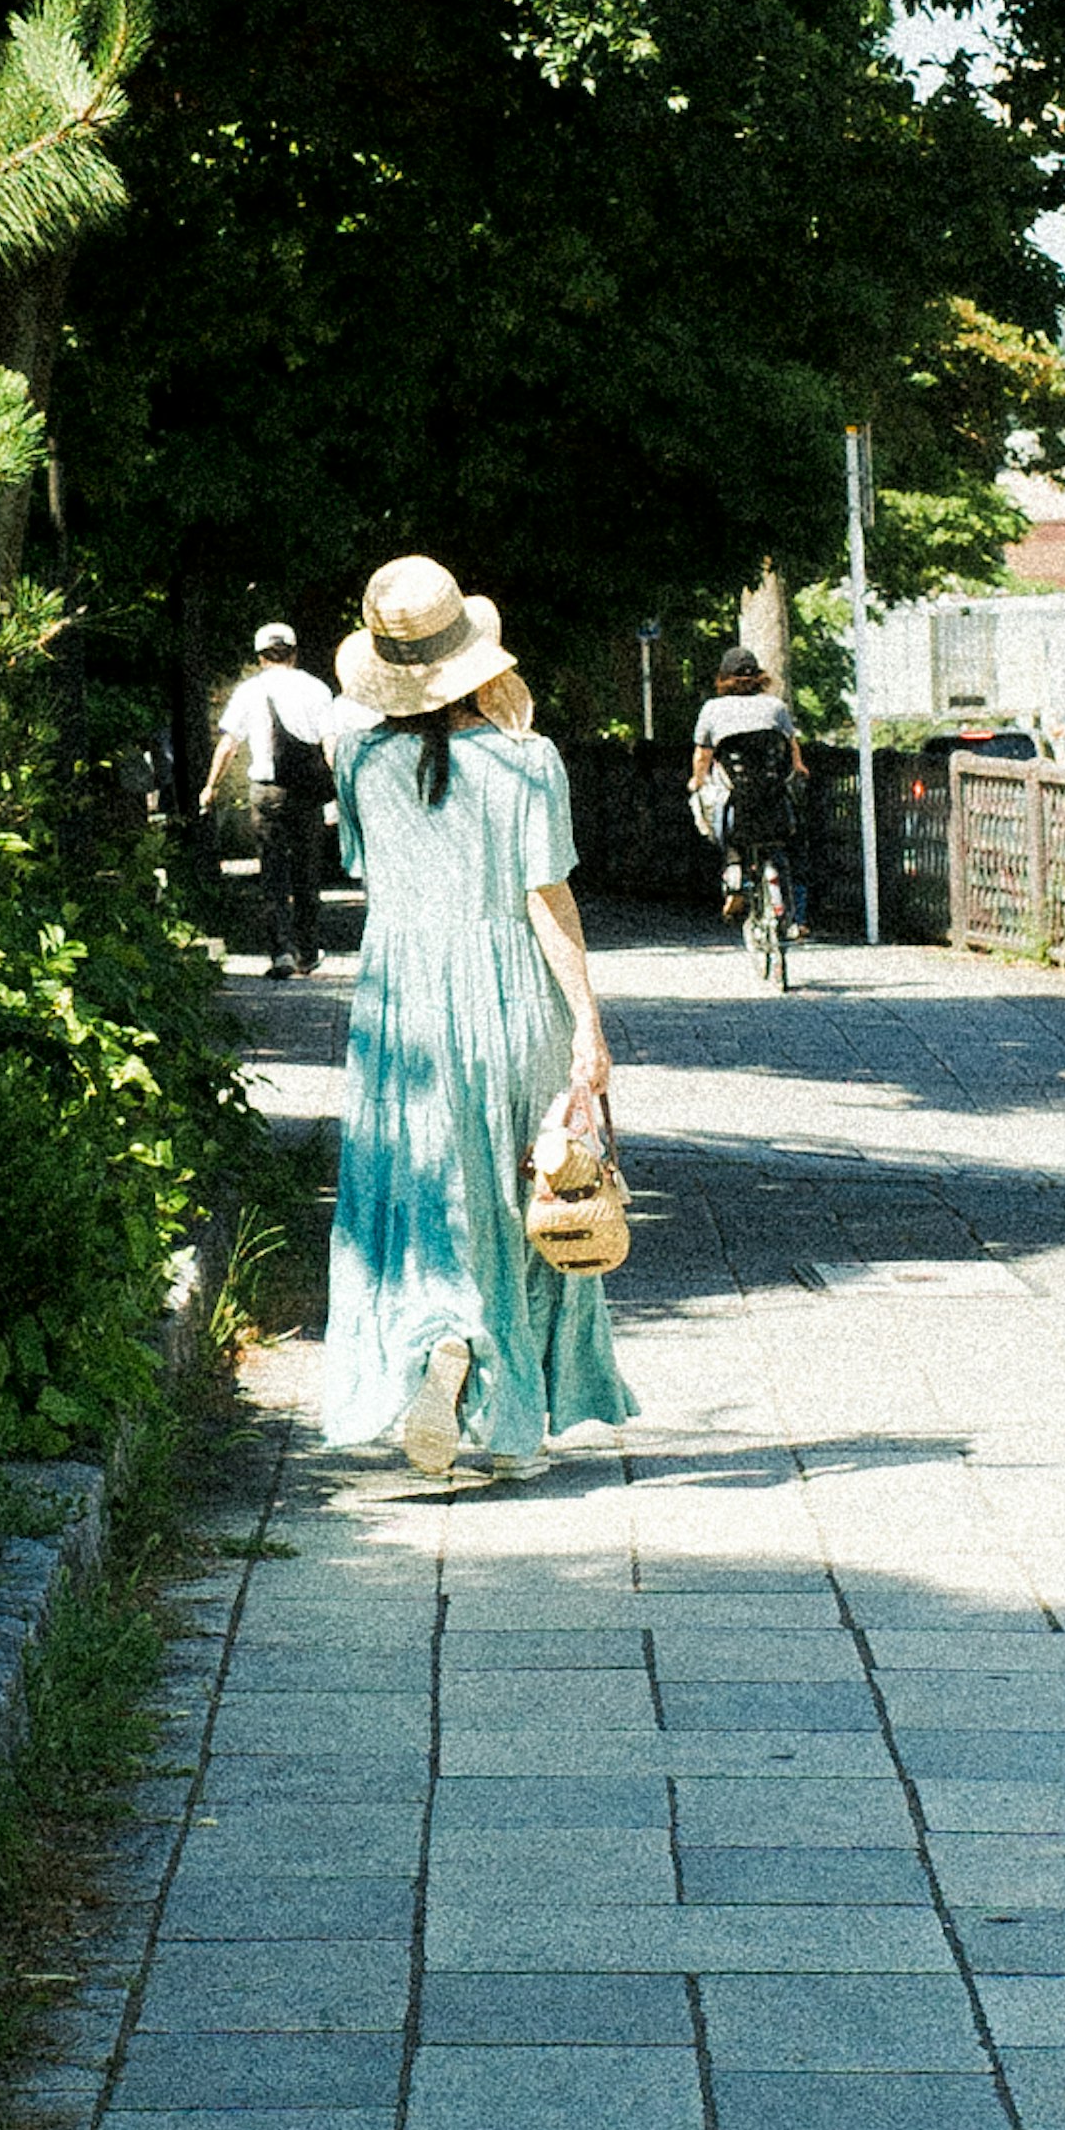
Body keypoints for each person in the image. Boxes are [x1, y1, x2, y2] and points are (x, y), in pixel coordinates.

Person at [319, 556, 632, 1489]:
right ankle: (503, 1407)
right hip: (507, 996)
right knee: (517, 1190)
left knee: (411, 1191)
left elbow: (368, 867)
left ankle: (433, 1340)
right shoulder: (528, 761)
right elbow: (548, 901)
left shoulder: (358, 761)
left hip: (399, 1006)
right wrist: (589, 1025)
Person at [206, 620, 338, 978]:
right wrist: (337, 789)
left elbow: (229, 743)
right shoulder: (316, 689)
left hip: (266, 791)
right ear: (294, 653)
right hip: (307, 792)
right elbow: (330, 744)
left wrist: (211, 785)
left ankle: (281, 952)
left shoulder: (250, 691)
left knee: (273, 871)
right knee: (308, 872)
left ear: (261, 656)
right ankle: (308, 952)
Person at [691, 644, 808, 940]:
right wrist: (799, 770)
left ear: (724, 677)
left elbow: (703, 756)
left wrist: (697, 781)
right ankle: (793, 918)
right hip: (773, 801)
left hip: (735, 807)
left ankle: (732, 870)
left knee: (707, 805)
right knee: (781, 848)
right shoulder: (775, 707)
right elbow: (793, 751)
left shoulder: (712, 710)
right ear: (758, 676)